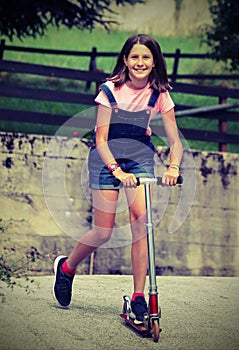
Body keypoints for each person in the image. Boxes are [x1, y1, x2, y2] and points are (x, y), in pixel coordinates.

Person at [53, 34, 183, 324]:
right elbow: (100, 139)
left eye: (146, 57)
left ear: (154, 62)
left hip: (139, 157)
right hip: (105, 158)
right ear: (125, 59)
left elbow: (175, 141)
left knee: (142, 222)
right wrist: (118, 171)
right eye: (134, 57)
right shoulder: (110, 90)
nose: (140, 62)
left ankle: (139, 296)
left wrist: (173, 167)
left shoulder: (159, 94)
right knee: (104, 231)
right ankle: (67, 269)